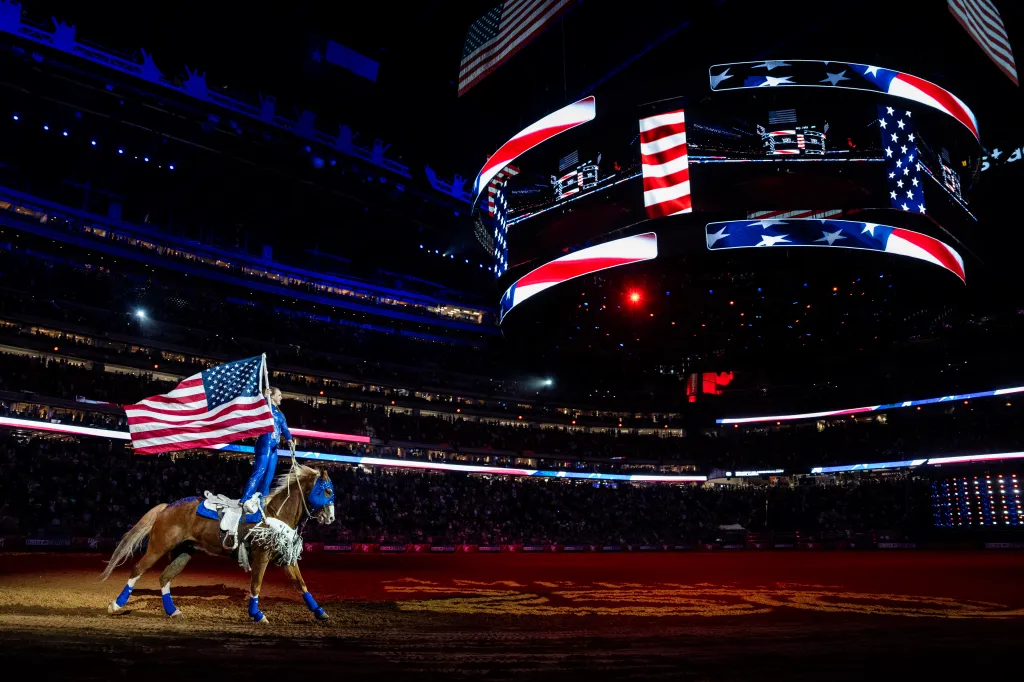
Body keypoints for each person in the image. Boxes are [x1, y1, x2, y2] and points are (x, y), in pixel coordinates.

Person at [242, 386, 295, 514]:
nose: (281, 397)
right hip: (265, 443)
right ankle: (246, 498)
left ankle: (261, 502)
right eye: (279, 395)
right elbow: (256, 407)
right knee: (260, 471)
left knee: (269, 476)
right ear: (272, 396)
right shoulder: (266, 407)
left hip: (274, 447)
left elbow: (285, 429)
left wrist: (290, 439)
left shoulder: (280, 414)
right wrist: (265, 398)